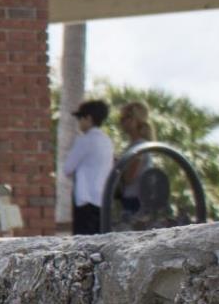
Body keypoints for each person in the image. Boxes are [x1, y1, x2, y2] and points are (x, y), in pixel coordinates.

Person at [62, 99, 115, 235]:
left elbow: (68, 168)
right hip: (103, 200)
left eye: (80, 118)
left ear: (88, 118)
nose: (79, 122)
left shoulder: (85, 140)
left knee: (83, 243)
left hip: (85, 200)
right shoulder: (107, 141)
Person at [116, 101, 154, 215]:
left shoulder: (138, 147)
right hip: (132, 199)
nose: (121, 122)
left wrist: (117, 166)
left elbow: (129, 178)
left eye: (125, 118)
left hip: (134, 202)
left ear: (136, 120)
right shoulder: (135, 145)